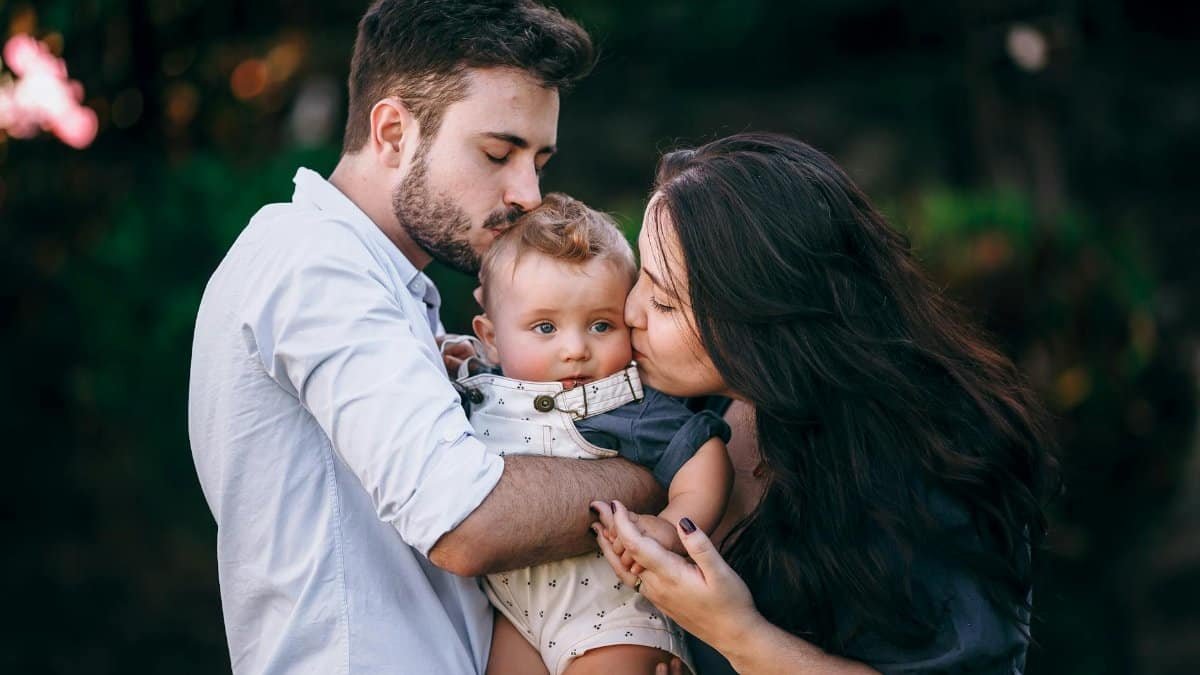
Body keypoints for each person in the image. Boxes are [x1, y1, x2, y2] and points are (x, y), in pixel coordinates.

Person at [187, 3, 667, 673]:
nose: (529, 192)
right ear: (392, 133)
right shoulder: (314, 261)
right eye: (498, 152)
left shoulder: (392, 289)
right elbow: (467, 521)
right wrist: (660, 470)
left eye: (539, 159)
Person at [592, 133, 1061, 674]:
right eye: (639, 279)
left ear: (765, 317)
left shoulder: (931, 467)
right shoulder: (694, 409)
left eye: (665, 300)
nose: (630, 312)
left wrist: (735, 634)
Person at [458, 193, 732, 674]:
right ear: (492, 335)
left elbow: (703, 452)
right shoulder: (477, 392)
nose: (575, 349)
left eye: (601, 325)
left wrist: (671, 526)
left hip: (611, 615)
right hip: (515, 616)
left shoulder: (622, 401)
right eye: (545, 327)